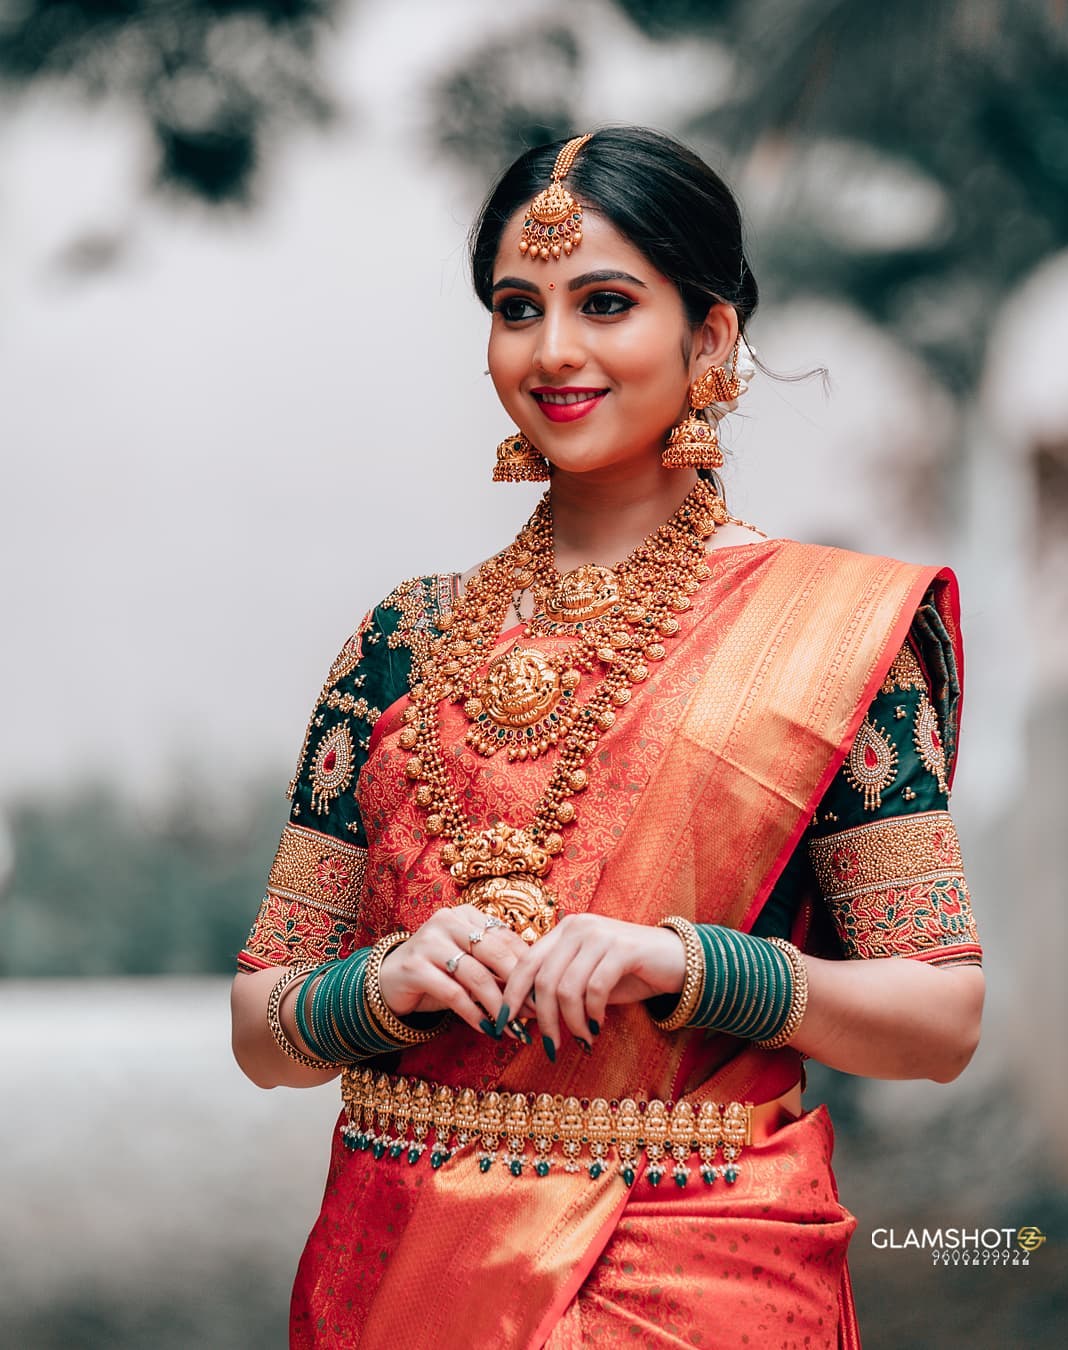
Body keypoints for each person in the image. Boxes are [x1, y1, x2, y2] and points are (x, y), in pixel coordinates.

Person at [230, 126, 983, 1349]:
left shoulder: (831, 636)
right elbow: (261, 1032)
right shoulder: (399, 642)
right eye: (518, 307)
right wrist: (378, 986)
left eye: (608, 302)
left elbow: (940, 1020)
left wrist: (692, 967)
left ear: (711, 337)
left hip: (705, 1276)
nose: (555, 350)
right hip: (394, 1271)